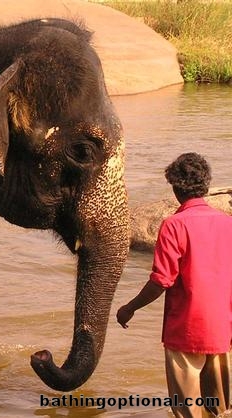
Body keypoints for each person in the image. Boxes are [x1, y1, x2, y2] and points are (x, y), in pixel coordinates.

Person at [117, 152, 232, 418]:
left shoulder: (174, 225)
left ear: (176, 188)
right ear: (206, 185)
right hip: (222, 328)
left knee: (186, 411)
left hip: (186, 330)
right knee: (219, 410)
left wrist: (129, 308)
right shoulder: (227, 223)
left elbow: (161, 280)